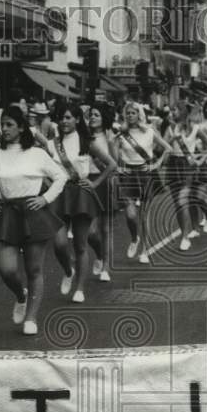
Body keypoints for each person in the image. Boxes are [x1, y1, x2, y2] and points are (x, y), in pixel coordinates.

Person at [0, 104, 68, 335]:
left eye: (9, 125)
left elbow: (60, 177)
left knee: (34, 269)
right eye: (2, 125)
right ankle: (21, 295)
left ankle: (32, 318)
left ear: (21, 128)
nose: (4, 129)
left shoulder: (37, 153)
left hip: (33, 212)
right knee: (7, 270)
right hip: (7, 214)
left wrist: (45, 199)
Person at [49, 103, 116, 303]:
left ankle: (79, 288)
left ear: (77, 120)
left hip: (81, 195)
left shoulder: (86, 141)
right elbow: (45, 168)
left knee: (80, 244)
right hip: (59, 194)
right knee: (59, 243)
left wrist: (95, 183)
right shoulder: (52, 143)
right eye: (61, 117)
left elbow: (112, 164)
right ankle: (68, 271)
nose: (64, 121)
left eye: (69, 117)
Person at [113, 102, 172, 263]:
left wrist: (157, 164)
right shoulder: (121, 133)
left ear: (139, 114)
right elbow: (114, 155)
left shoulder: (149, 131)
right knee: (131, 214)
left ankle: (145, 250)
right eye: (128, 113)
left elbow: (168, 148)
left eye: (133, 113)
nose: (130, 116)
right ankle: (134, 239)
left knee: (145, 215)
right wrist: (119, 166)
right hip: (128, 175)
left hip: (146, 174)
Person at [165, 102, 207, 251]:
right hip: (173, 165)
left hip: (187, 165)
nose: (172, 113)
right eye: (171, 110)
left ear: (182, 112)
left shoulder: (195, 128)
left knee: (186, 200)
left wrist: (200, 160)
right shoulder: (170, 128)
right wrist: (171, 138)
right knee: (179, 203)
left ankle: (186, 235)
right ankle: (190, 230)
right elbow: (161, 147)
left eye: (174, 109)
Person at [86, 103, 117, 282]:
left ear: (104, 117)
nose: (92, 117)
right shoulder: (84, 136)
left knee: (106, 229)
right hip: (88, 181)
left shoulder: (109, 136)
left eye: (96, 114)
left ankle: (106, 266)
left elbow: (115, 163)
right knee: (90, 232)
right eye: (91, 114)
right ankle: (99, 255)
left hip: (104, 181)